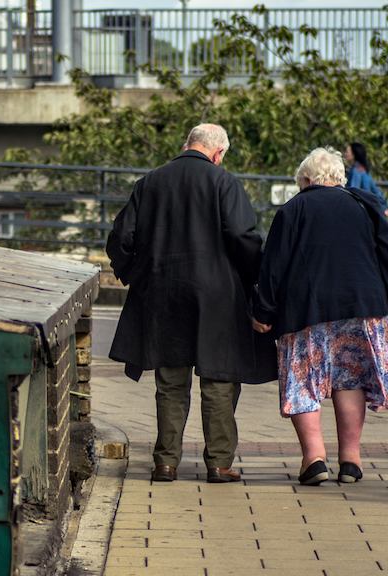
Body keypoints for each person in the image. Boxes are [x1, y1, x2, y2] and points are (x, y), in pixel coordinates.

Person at [106, 123, 277, 484]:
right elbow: (242, 236)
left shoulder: (150, 182)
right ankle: (218, 463)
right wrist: (253, 279)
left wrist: (139, 274)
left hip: (163, 293)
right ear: (218, 153)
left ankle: (165, 462)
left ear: (188, 144)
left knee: (170, 380)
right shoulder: (224, 182)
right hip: (218, 296)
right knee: (219, 378)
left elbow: (121, 238)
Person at [251, 147, 388, 486]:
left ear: (307, 180)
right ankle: (351, 461)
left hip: (305, 310)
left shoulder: (293, 209)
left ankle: (314, 459)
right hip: (361, 307)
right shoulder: (365, 205)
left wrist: (263, 310)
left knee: (302, 380)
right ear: (338, 179)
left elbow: (273, 265)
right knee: (351, 379)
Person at [345, 142, 387, 212]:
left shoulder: (356, 170)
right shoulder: (362, 168)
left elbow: (354, 191)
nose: (345, 154)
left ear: (354, 154)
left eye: (347, 152)